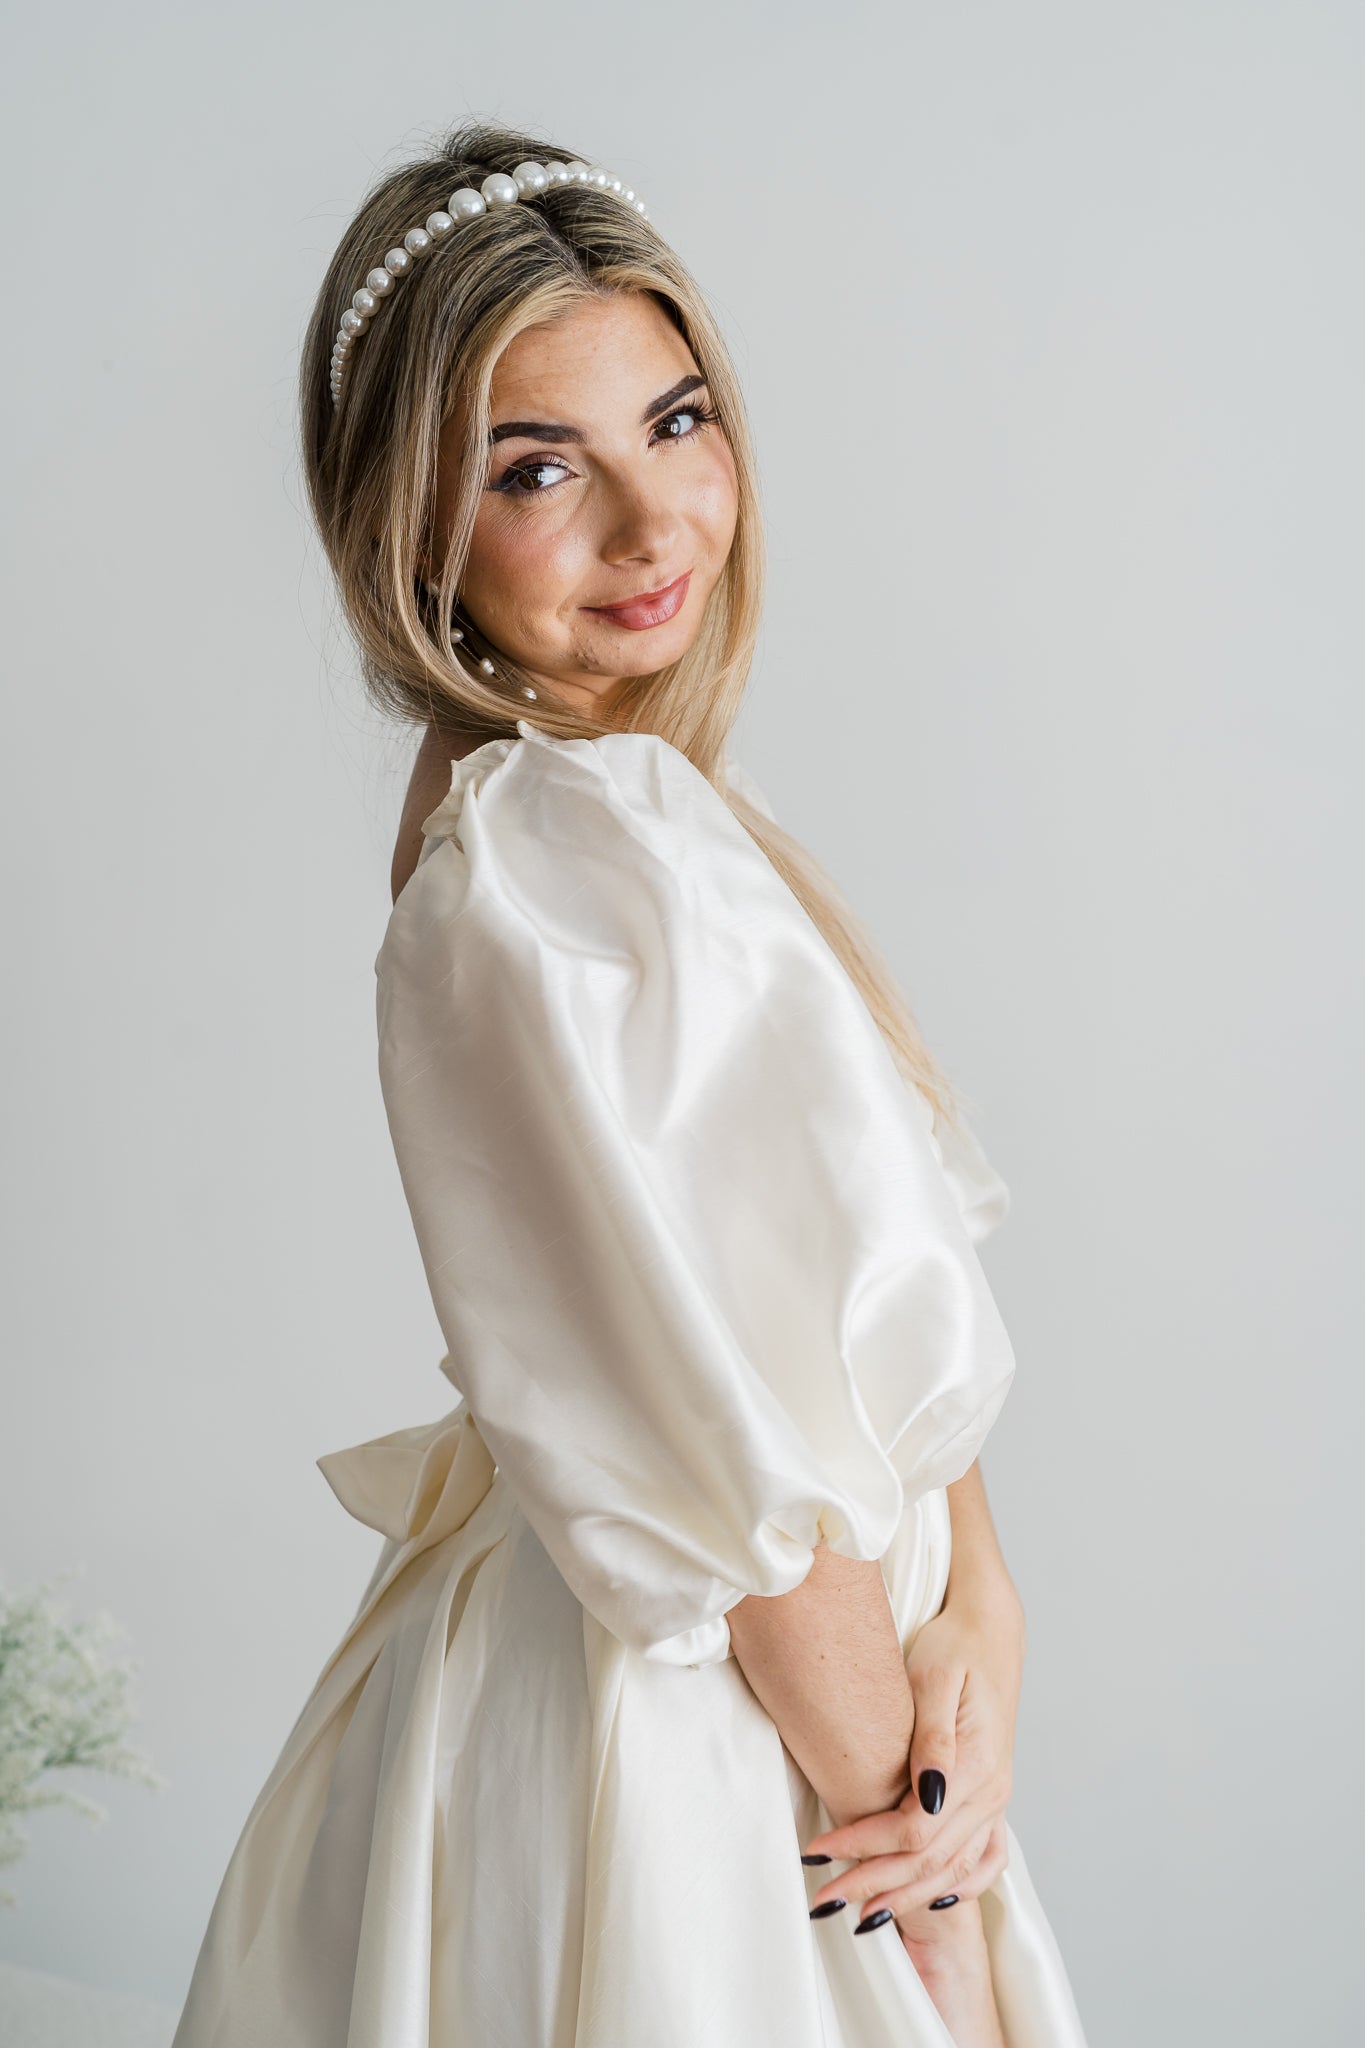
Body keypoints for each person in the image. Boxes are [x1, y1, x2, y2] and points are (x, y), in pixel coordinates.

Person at [171, 121, 1090, 2048]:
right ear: (410, 529)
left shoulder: (624, 818)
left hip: (820, 1702)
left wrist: (981, 1615)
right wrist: (916, 1899)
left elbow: (841, 1296)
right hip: (722, 1737)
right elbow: (738, 1481)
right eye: (536, 469)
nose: (650, 522)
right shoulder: (544, 859)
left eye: (675, 423)